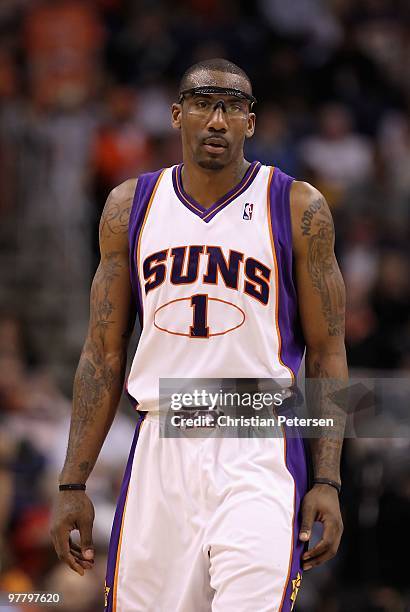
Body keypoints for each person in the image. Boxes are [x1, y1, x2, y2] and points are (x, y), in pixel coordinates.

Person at [51, 58, 347, 611]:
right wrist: (73, 483)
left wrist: (328, 478)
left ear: (250, 123)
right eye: (205, 105)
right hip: (162, 439)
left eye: (233, 107)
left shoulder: (297, 206)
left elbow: (329, 351)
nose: (218, 120)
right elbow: (102, 354)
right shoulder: (129, 208)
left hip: (259, 441)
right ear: (176, 115)